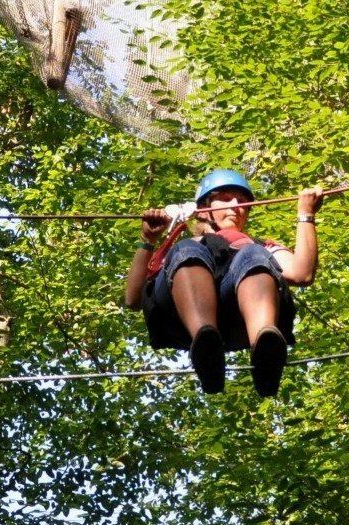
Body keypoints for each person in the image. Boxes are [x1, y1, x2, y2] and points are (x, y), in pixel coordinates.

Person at [124, 169, 325, 397]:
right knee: (188, 249)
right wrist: (147, 240)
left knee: (253, 254)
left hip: (239, 315)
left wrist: (305, 214)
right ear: (204, 209)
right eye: (226, 198)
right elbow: (133, 299)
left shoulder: (259, 249)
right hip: (181, 318)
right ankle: (205, 342)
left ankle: (265, 345)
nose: (236, 205)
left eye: (242, 201)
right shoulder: (181, 250)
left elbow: (302, 274)